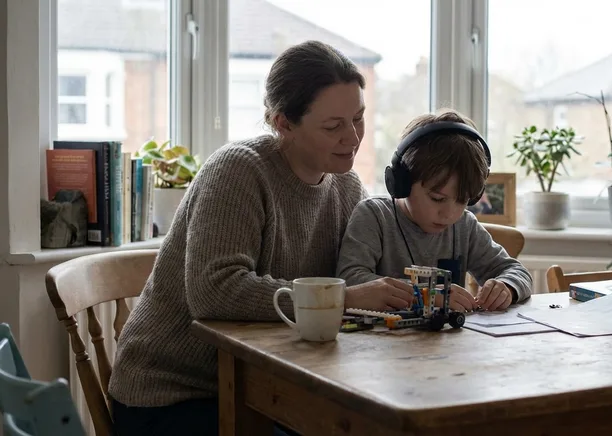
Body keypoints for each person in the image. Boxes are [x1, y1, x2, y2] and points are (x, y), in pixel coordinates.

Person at [107, 40, 415, 436]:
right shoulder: (239, 171)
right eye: (332, 125)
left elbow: (365, 276)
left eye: (358, 118)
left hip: (270, 389)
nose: (352, 138)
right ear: (283, 122)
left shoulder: (346, 188)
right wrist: (346, 299)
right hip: (172, 396)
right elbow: (214, 291)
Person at [336, 110, 533, 312]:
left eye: (462, 200)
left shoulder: (464, 225)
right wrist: (425, 294)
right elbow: (350, 281)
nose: (449, 214)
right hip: (380, 341)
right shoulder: (374, 216)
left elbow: (516, 271)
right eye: (437, 198)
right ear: (402, 182)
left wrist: (506, 287)